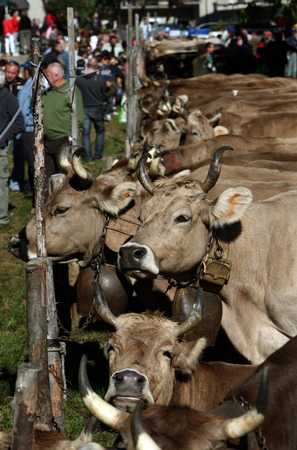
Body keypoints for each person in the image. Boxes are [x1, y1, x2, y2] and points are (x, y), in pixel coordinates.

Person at [42, 62, 84, 189]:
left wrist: (70, 138)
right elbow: (33, 107)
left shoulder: (70, 91)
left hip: (63, 140)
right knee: (47, 177)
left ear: (56, 76)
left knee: (64, 176)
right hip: (46, 141)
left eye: (47, 75)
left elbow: (79, 117)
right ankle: (47, 204)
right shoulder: (47, 93)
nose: (44, 77)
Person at [0, 69, 24, 228]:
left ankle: (2, 218)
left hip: (0, 148)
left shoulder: (8, 98)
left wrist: (3, 138)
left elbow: (18, 122)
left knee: (1, 184)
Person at [76, 57, 107, 161]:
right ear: (96, 67)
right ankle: (98, 156)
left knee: (85, 134)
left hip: (84, 107)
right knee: (100, 131)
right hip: (97, 107)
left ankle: (88, 157)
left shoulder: (79, 78)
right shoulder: (100, 79)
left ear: (86, 65)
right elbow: (104, 93)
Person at [4, 61, 26, 192]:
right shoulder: (2, 85)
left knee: (19, 155)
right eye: (8, 72)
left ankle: (16, 181)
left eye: (13, 73)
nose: (10, 75)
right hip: (4, 125)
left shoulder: (22, 84)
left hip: (17, 125)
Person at [16, 61, 35, 198]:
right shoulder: (26, 90)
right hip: (28, 130)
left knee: (33, 160)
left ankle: (30, 187)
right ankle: (31, 189)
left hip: (32, 129)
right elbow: (22, 114)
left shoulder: (32, 87)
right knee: (33, 161)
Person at [98, 51, 125, 120]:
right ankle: (102, 113)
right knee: (102, 100)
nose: (107, 63)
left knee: (109, 99)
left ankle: (107, 113)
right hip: (100, 86)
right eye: (107, 61)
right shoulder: (98, 67)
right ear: (102, 60)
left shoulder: (112, 67)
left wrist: (118, 82)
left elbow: (121, 75)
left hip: (110, 87)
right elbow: (96, 76)